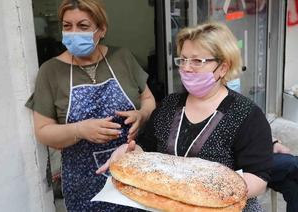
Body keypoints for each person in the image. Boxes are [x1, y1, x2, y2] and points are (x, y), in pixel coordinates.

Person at [98, 22, 273, 212]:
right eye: (183, 59)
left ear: (223, 67)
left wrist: (203, 200)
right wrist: (130, 152)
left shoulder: (247, 114)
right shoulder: (169, 105)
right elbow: (146, 146)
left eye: (197, 61)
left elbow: (258, 177)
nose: (186, 68)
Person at [25, 0, 156, 211]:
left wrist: (141, 115)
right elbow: (43, 131)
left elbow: (148, 100)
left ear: (101, 29)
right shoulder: (50, 72)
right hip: (83, 183)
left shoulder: (122, 57)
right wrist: (79, 130)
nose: (74, 32)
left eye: (83, 26)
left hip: (132, 172)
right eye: (67, 26)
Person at [227, 78, 298, 212]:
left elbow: (251, 127)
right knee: (291, 164)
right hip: (233, 169)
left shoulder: (234, 101)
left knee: (296, 186)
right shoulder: (186, 106)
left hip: (249, 157)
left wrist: (272, 141)